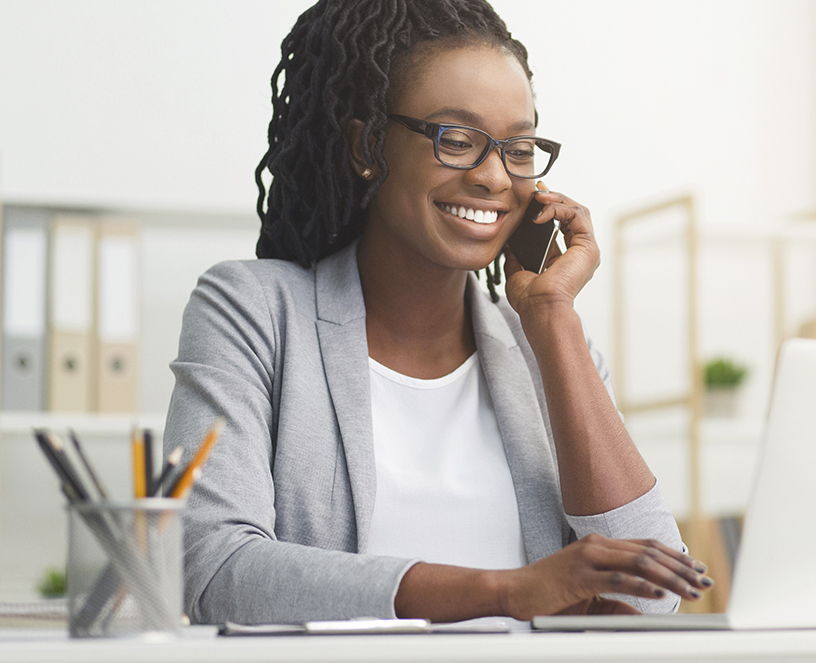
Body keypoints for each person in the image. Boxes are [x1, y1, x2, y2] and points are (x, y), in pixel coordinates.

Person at [164, 0, 712, 625]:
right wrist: (503, 592)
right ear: (367, 145)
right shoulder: (254, 312)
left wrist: (553, 318)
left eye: (520, 147)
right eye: (457, 140)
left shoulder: (547, 348)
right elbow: (211, 568)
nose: (494, 177)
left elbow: (656, 595)